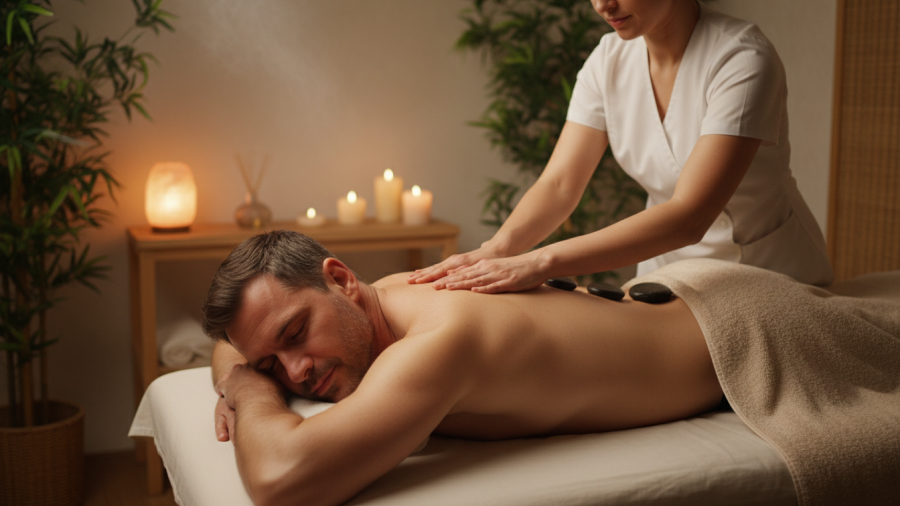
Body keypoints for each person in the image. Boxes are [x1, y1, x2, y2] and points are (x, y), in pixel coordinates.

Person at [204, 231, 723, 506]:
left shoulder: (440, 339)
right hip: (671, 301)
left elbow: (280, 481)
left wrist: (248, 388)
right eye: (270, 363)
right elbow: (227, 349)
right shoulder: (377, 298)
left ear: (341, 280)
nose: (295, 373)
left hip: (731, 325)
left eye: (296, 333)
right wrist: (240, 369)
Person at [407, 0, 833, 294]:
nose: (602, 5)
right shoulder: (608, 59)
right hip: (667, 272)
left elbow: (690, 216)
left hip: (761, 274)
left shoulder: (741, 58)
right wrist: (495, 250)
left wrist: (539, 262)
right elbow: (559, 184)